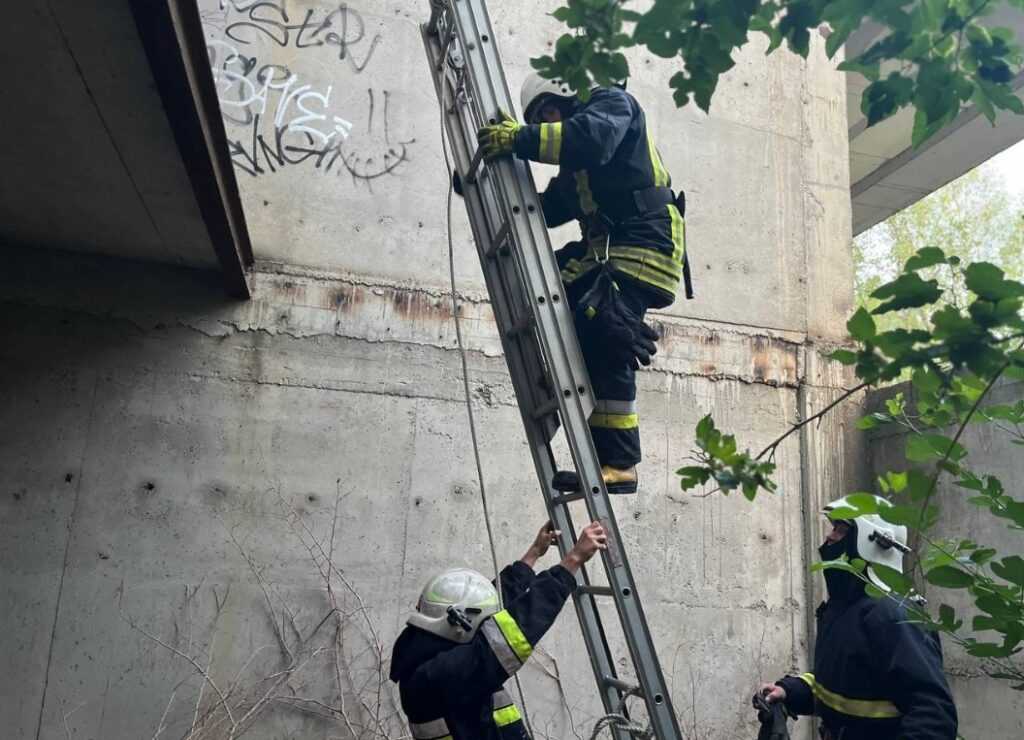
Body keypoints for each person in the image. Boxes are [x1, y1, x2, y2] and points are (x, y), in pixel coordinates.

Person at [474, 73, 689, 495]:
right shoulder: (576, 169)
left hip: (642, 248)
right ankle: (570, 371)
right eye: (537, 118)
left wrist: (520, 138)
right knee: (549, 280)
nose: (545, 123)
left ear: (569, 95)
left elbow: (588, 139)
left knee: (604, 333)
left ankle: (620, 463)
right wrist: (483, 187)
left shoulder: (612, 104)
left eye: (547, 113)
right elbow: (548, 209)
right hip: (607, 252)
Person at [756, 495, 958, 740]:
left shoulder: (894, 615)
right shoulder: (843, 610)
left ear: (871, 541)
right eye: (833, 528)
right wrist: (791, 691)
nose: (830, 537)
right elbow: (847, 684)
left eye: (841, 530)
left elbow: (934, 717)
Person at [389, 520, 607, 740]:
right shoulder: (435, 676)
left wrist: (533, 554)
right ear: (459, 625)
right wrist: (573, 561)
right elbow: (507, 635)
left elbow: (486, 606)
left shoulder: (426, 645)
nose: (488, 626)